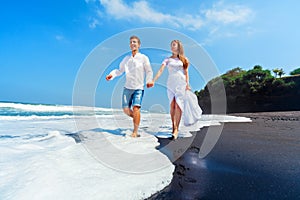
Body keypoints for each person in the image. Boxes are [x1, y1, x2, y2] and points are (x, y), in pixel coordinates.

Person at [106, 36, 153, 138]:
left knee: (136, 108)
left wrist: (149, 81)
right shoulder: (126, 59)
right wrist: (112, 75)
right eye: (131, 42)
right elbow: (119, 70)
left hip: (139, 88)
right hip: (127, 87)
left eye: (134, 42)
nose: (132, 44)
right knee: (126, 110)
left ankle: (135, 132)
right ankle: (137, 118)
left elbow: (149, 71)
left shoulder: (143, 58)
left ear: (139, 45)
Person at [148, 40, 192, 139]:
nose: (172, 47)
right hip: (171, 83)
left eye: (174, 45)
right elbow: (160, 70)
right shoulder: (167, 59)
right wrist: (153, 80)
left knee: (178, 105)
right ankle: (173, 127)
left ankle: (176, 130)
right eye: (171, 45)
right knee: (172, 105)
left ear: (178, 46)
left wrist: (187, 84)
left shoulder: (184, 59)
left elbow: (186, 73)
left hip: (181, 83)